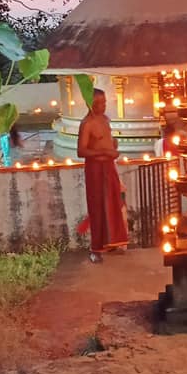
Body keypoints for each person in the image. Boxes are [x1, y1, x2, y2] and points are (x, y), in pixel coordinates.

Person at [77, 88, 129, 263]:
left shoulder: (105, 120)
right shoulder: (87, 124)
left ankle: (112, 242)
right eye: (98, 103)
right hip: (95, 169)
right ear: (89, 103)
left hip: (108, 166)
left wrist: (112, 146)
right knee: (97, 206)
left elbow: (107, 140)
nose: (102, 106)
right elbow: (81, 151)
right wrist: (106, 152)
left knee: (113, 203)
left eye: (104, 102)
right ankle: (95, 249)